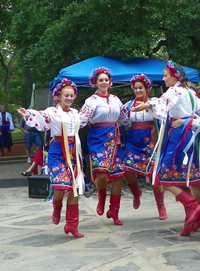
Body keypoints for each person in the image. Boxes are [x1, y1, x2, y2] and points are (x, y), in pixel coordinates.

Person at [131, 60, 200, 236]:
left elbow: (162, 103)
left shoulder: (175, 90)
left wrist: (148, 104)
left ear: (174, 76)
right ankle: (198, 215)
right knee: (188, 177)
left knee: (164, 175)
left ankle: (193, 206)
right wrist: (192, 121)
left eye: (165, 76)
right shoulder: (192, 93)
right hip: (194, 138)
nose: (163, 79)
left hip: (180, 137)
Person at [17, 79, 85, 238]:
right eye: (66, 95)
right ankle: (57, 206)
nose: (69, 98)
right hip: (58, 153)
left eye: (71, 95)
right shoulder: (53, 112)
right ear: (58, 97)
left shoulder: (75, 113)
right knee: (60, 186)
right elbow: (41, 117)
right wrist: (28, 114)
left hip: (74, 153)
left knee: (74, 190)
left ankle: (72, 225)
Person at [79, 67, 128, 226]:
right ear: (95, 83)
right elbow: (81, 120)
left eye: (106, 80)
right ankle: (101, 199)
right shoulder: (91, 101)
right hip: (97, 138)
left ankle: (114, 210)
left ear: (110, 82)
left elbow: (124, 118)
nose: (104, 82)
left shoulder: (115, 99)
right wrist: (68, 133)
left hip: (114, 139)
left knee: (119, 175)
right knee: (101, 173)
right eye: (101, 80)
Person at [120, 74, 167, 220]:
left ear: (147, 88)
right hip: (134, 140)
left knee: (153, 174)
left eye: (141, 87)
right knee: (127, 168)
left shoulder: (154, 102)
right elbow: (124, 121)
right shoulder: (128, 106)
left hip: (150, 140)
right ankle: (136, 193)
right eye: (135, 88)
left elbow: (162, 112)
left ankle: (161, 206)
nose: (138, 90)